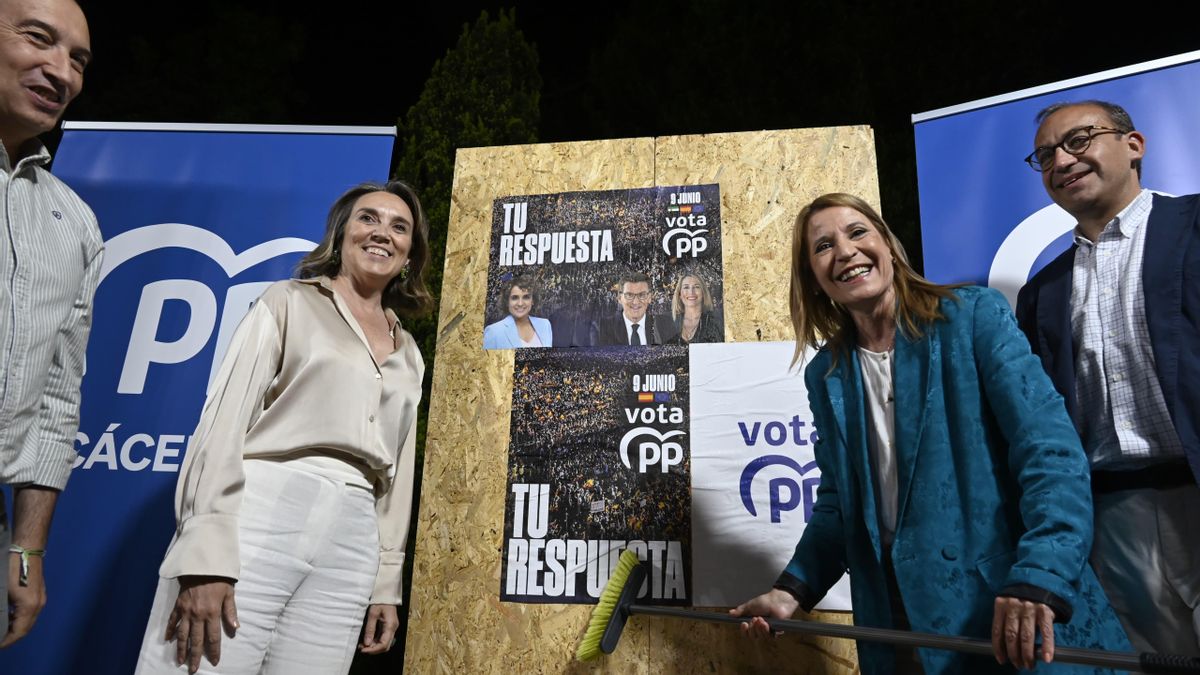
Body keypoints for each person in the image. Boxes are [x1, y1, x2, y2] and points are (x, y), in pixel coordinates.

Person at [731, 193, 1129, 674]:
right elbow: (842, 505)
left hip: (1008, 603)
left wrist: (1041, 574)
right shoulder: (827, 374)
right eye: (823, 246)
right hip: (897, 620)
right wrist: (791, 590)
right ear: (813, 279)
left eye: (858, 232)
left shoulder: (972, 316)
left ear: (889, 246)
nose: (845, 251)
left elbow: (1050, 454)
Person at [135, 181, 434, 674]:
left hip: (354, 535)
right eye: (368, 219)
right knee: (201, 664)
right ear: (341, 235)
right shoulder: (287, 302)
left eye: (399, 226)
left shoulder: (410, 353)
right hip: (264, 508)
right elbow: (222, 422)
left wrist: (385, 580)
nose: (382, 232)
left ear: (409, 254)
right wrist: (205, 555)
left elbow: (397, 479)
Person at [1015, 100, 1200, 656]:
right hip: (1112, 515)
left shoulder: (1194, 226)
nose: (1061, 161)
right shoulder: (1042, 292)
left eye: (1079, 140)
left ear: (1134, 145)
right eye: (1045, 155)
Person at [0, 0, 99, 648]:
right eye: (38, 39)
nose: (60, 71)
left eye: (79, 60)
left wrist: (27, 549)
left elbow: (57, 401)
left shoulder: (76, 224)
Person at [590, 271, 677, 346]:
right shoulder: (601, 328)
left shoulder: (666, 326)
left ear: (650, 297)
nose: (635, 302)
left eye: (642, 295)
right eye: (629, 295)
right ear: (619, 298)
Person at [483, 275, 552, 349]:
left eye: (526, 297)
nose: (520, 303)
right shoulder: (493, 332)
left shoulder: (545, 325)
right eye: (514, 298)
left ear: (533, 301)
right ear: (507, 302)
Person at [666, 272, 723, 344]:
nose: (691, 292)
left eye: (696, 287)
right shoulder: (668, 323)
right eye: (686, 287)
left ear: (703, 292)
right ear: (679, 294)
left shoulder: (715, 321)